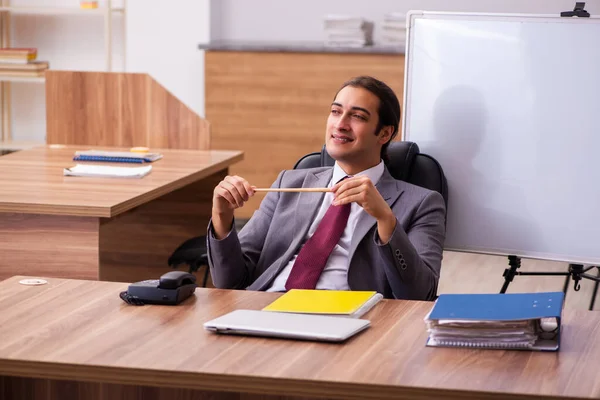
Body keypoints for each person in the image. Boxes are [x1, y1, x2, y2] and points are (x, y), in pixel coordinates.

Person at [207, 76, 446, 300]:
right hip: (269, 303)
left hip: (346, 315)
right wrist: (222, 216)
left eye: (358, 117)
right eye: (335, 112)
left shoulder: (422, 203)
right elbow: (230, 281)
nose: (340, 124)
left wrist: (386, 220)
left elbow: (419, 295)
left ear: (384, 133)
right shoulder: (289, 183)